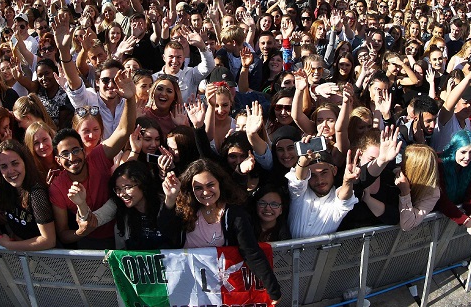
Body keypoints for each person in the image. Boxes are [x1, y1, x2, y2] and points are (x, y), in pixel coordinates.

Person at [159, 158, 281, 304]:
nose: (205, 192)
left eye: (210, 185)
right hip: (188, 288)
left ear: (220, 184)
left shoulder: (235, 215)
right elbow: (165, 231)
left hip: (221, 291)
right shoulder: (185, 211)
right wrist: (170, 198)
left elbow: (252, 252)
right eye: (198, 188)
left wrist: (273, 290)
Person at [49, 68, 136, 249]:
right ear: (58, 160)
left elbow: (123, 130)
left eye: (76, 150)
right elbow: (63, 235)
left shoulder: (98, 157)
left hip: (118, 234)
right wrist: (83, 230)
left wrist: (129, 98)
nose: (72, 157)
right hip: (86, 244)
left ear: (83, 150)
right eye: (65, 154)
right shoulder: (58, 187)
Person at [0, 140, 56, 250]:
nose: (10, 171)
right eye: (4, 166)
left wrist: (9, 245)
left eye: (15, 163)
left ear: (25, 162)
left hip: (46, 260)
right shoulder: (6, 188)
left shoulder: (36, 193)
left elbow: (49, 240)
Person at [287, 148, 359, 239]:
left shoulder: (337, 199)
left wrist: (347, 181)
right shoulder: (299, 193)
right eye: (312, 175)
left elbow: (344, 200)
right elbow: (298, 181)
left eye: (324, 173)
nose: (319, 180)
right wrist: (303, 161)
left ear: (334, 171)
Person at [434, 130, 471, 236]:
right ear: (453, 149)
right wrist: (466, 221)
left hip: (452, 214)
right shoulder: (439, 164)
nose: (467, 157)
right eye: (463, 152)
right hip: (434, 213)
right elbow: (440, 199)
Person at [395, 144, 440, 231]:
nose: (401, 164)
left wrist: (405, 193)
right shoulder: (396, 174)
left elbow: (407, 225)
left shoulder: (432, 192)